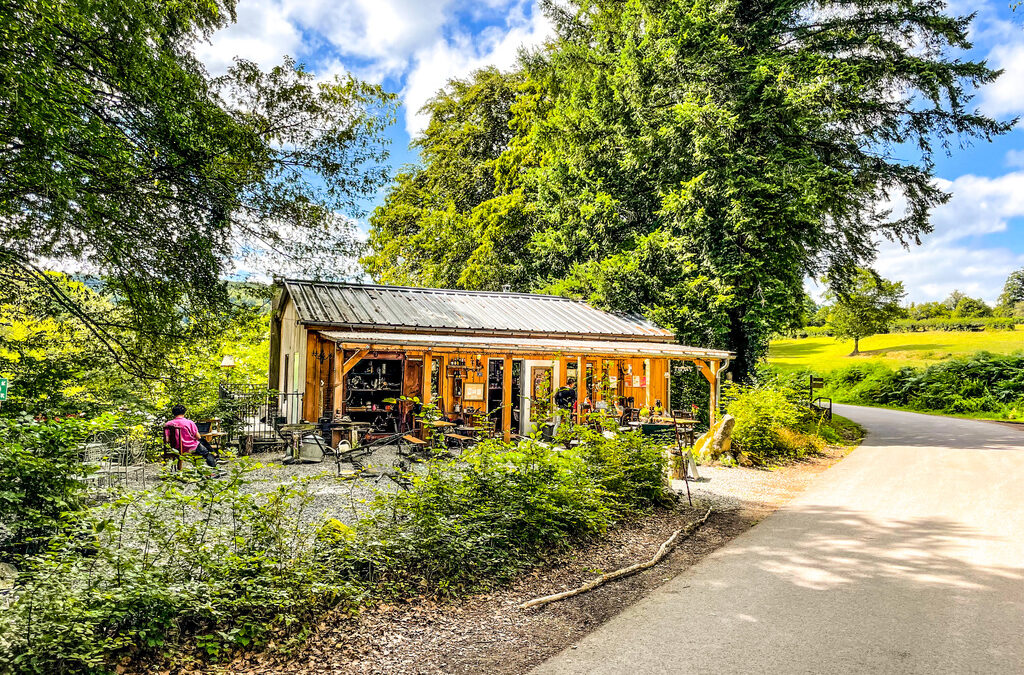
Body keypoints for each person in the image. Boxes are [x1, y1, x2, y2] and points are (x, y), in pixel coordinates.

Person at [164, 404, 220, 469]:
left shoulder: (168, 424)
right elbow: (198, 437)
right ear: (184, 412)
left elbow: (167, 440)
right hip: (190, 447)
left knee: (202, 442)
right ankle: (214, 470)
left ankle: (216, 456)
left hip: (175, 448)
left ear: (173, 413)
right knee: (206, 452)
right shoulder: (189, 422)